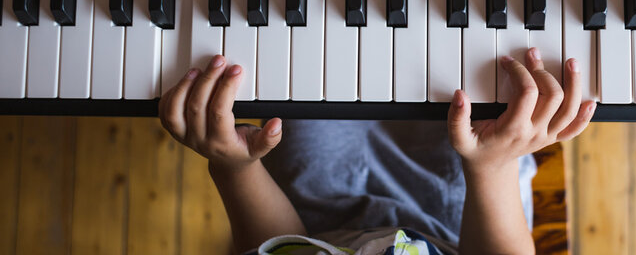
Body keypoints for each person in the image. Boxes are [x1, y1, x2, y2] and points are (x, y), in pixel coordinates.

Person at [158, 47, 596, 255]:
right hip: (464, 216)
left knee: (310, 63)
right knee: (481, 79)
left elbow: (281, 247)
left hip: (322, 210)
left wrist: (234, 168)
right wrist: (492, 164)